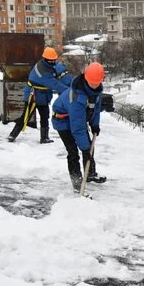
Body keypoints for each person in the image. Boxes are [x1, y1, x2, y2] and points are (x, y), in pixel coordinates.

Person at [51, 62, 106, 192]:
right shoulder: (77, 96)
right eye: (92, 82)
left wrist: (95, 124)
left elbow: (95, 109)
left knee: (89, 146)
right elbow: (77, 127)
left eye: (97, 82)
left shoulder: (96, 92)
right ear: (85, 78)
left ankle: (90, 174)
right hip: (62, 120)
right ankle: (77, 183)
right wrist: (85, 148)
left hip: (76, 119)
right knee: (74, 152)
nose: (94, 85)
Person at [7, 47, 69, 143]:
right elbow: (55, 85)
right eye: (51, 60)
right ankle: (12, 135)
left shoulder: (44, 64)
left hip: (42, 97)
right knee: (26, 116)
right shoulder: (43, 72)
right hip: (33, 95)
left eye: (54, 60)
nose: (53, 62)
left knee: (45, 116)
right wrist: (70, 91)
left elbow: (56, 68)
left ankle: (44, 138)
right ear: (46, 59)